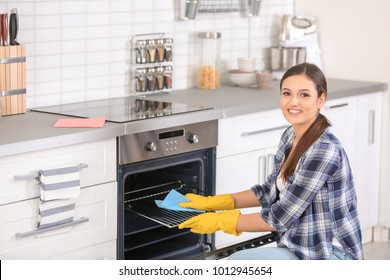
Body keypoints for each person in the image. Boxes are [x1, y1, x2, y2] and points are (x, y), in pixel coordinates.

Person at [178, 63, 364, 260]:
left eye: (304, 95)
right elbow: (270, 192)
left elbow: (280, 218)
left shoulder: (323, 150)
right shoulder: (290, 136)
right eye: (286, 93)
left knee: (236, 264)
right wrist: (217, 202)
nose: (293, 102)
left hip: (330, 252)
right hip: (299, 244)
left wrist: (221, 221)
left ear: (321, 99)